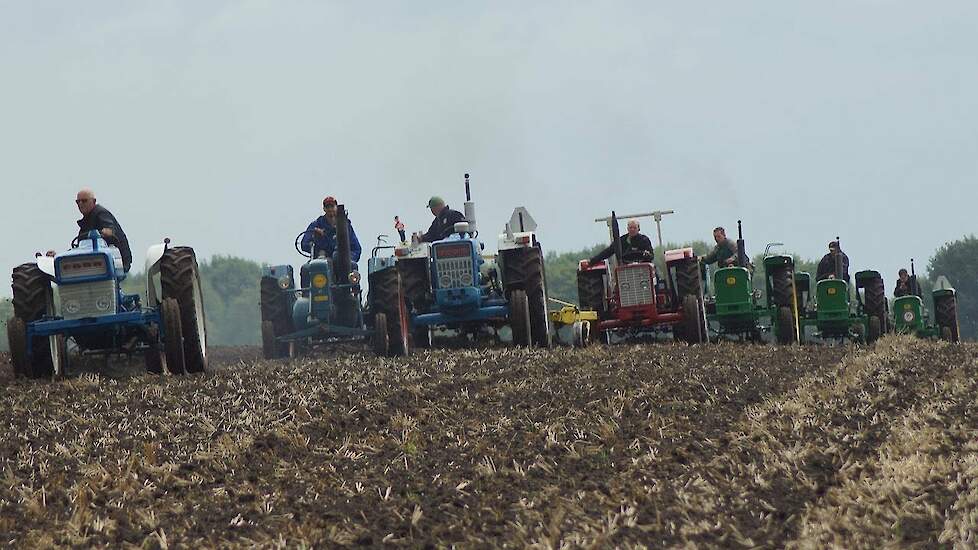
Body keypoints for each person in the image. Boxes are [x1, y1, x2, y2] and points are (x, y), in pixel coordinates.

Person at [75, 188, 133, 272]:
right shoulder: (85, 222)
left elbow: (110, 228)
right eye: (78, 202)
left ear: (94, 201)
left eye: (84, 201)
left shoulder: (100, 213)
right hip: (94, 263)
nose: (80, 204)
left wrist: (107, 231)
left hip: (115, 261)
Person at [300, 196, 362, 263]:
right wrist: (315, 238)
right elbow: (304, 244)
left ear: (336, 207)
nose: (330, 209)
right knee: (305, 269)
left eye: (332, 206)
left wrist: (348, 259)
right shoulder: (316, 224)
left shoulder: (346, 226)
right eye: (327, 207)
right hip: (322, 260)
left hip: (342, 263)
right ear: (324, 209)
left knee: (351, 266)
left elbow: (356, 249)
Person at [587, 219, 654, 266]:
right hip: (625, 267)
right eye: (630, 228)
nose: (632, 230)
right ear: (627, 228)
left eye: (634, 228)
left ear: (638, 229)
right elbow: (607, 252)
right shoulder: (621, 241)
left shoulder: (644, 240)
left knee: (655, 276)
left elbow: (651, 255)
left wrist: (647, 255)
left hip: (642, 267)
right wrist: (592, 261)